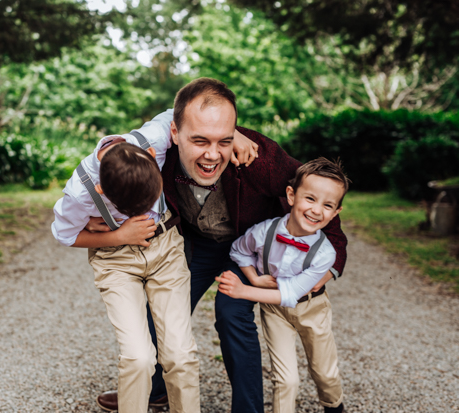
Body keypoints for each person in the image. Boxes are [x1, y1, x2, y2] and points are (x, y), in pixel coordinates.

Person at [90, 78, 348, 413]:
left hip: (245, 252)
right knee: (162, 307)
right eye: (200, 140)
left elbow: (317, 197)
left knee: (232, 314)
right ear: (175, 134)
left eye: (223, 140)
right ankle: (155, 389)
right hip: (195, 244)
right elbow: (113, 162)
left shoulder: (258, 156)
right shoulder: (159, 156)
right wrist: (99, 216)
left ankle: (248, 409)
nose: (212, 154)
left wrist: (329, 266)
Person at [51, 110, 201, 413]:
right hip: (116, 261)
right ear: (101, 190)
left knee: (180, 355)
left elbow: (189, 111)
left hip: (166, 250)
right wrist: (118, 236)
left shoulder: (154, 138)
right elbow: (64, 234)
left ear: (151, 156)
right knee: (138, 357)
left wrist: (234, 134)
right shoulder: (81, 191)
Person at [218, 157, 349, 413]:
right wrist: (254, 277)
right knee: (286, 379)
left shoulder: (325, 254)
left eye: (328, 205)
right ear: (291, 195)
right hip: (275, 312)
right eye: (310, 199)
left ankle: (334, 406)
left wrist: (244, 290)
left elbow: (290, 294)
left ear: (335, 213)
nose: (316, 210)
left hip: (312, 309)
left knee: (324, 373)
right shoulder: (263, 232)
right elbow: (238, 250)